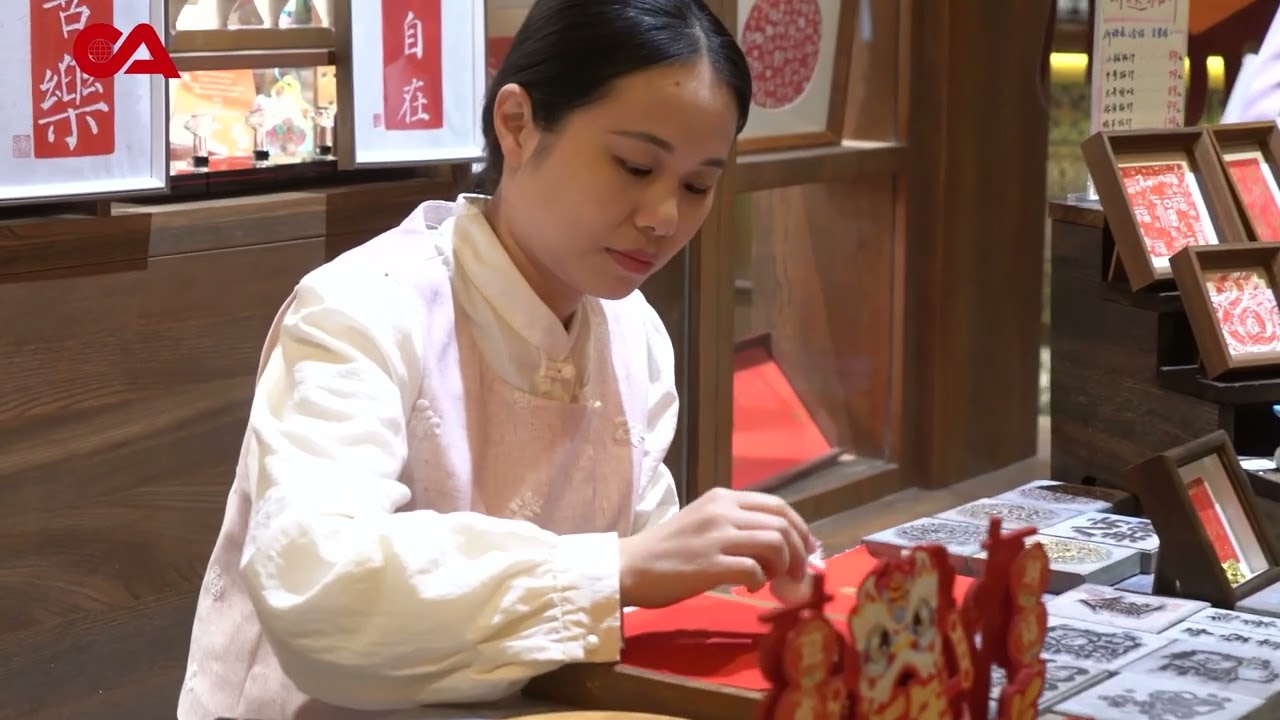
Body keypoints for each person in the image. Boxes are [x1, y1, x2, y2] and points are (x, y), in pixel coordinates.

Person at [177, 1, 817, 718]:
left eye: (697, 185)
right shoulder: (363, 307)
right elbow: (318, 588)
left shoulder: (634, 331)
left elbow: (642, 594)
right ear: (517, 124)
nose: (664, 216)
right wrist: (619, 570)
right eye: (635, 166)